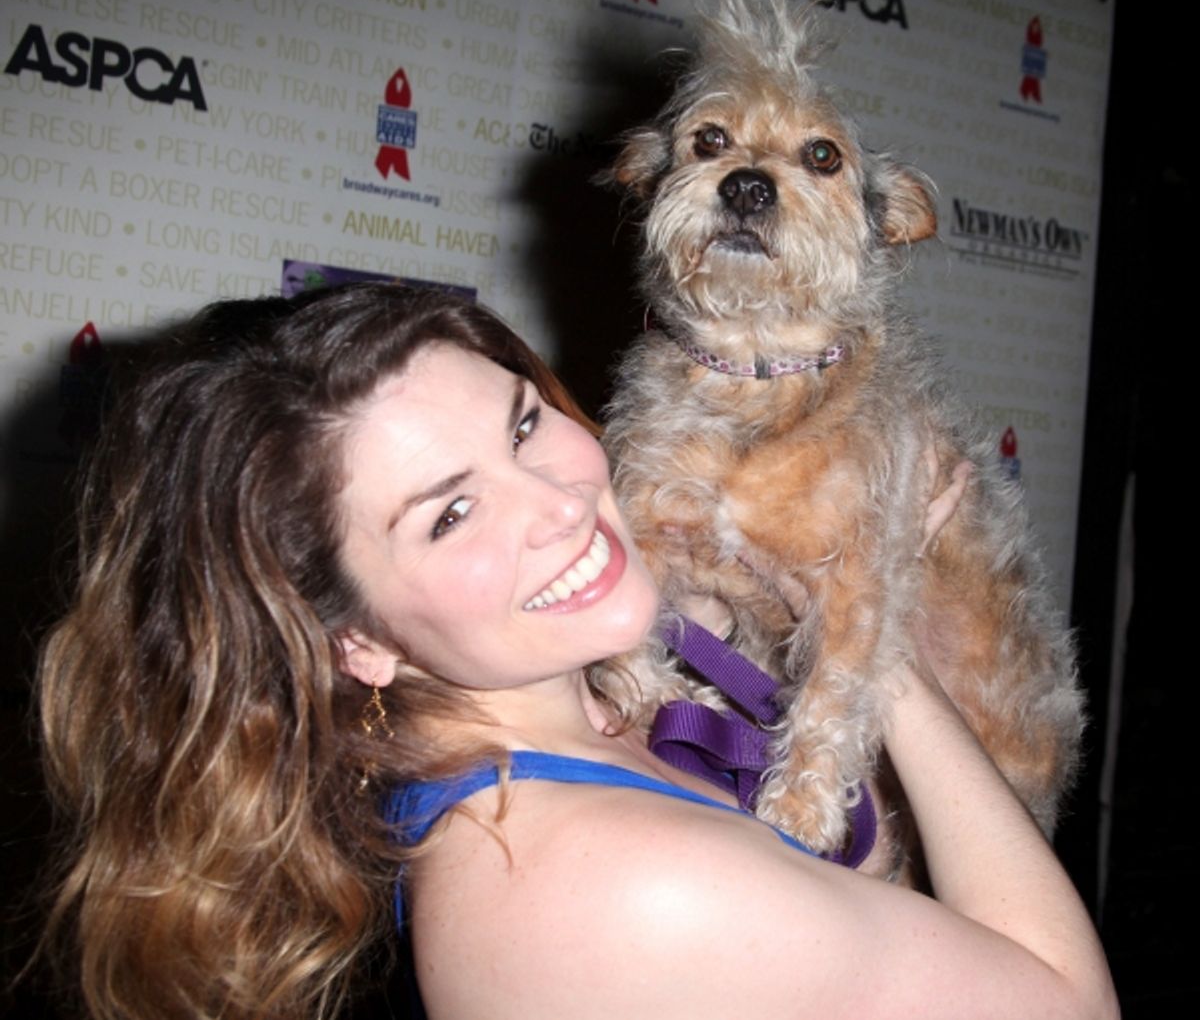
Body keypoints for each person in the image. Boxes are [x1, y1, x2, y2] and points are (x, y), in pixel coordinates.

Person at [37, 283, 1117, 1020]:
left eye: (520, 426)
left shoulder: (574, 716)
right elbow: (1067, 1002)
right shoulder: (604, 881)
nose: (559, 501)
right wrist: (867, 626)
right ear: (353, 638)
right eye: (450, 514)